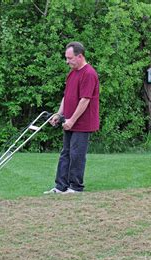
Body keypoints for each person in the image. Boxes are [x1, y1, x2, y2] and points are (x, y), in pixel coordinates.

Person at [44, 41, 100, 194]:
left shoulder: (89, 73)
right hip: (68, 120)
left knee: (76, 154)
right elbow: (66, 96)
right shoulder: (72, 73)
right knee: (66, 153)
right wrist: (59, 114)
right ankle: (60, 186)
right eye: (66, 58)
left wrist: (72, 120)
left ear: (80, 56)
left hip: (82, 123)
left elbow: (85, 100)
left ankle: (75, 187)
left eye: (70, 58)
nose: (67, 61)